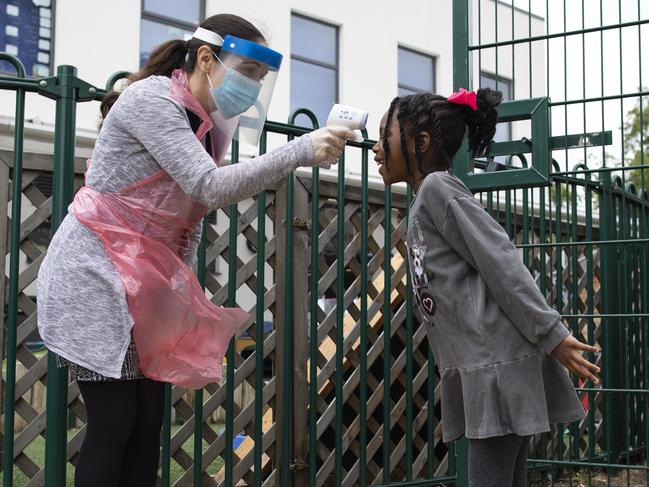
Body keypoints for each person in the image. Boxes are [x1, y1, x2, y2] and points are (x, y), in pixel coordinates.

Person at [37, 14, 351, 487]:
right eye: (246, 71)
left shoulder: (207, 125)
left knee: (147, 425)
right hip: (95, 275)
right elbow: (207, 184)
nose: (251, 86)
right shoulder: (151, 99)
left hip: (143, 285)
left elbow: (189, 213)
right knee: (115, 422)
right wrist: (300, 150)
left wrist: (173, 292)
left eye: (259, 79)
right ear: (206, 58)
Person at [371, 88, 600, 487]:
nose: (375, 149)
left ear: (420, 143)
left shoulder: (438, 190)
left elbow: (501, 261)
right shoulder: (428, 199)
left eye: (383, 138)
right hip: (487, 366)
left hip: (498, 366)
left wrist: (552, 333)